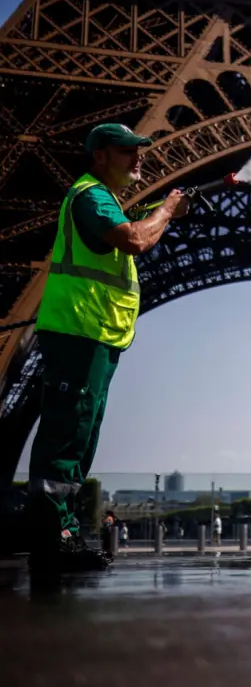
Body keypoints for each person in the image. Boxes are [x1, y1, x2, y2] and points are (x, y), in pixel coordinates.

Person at [27, 123, 189, 573]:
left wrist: (163, 213)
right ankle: (53, 537)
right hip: (79, 330)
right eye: (126, 151)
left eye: (139, 151)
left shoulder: (106, 201)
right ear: (99, 155)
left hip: (94, 334)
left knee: (80, 433)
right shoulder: (92, 196)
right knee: (68, 434)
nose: (138, 159)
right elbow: (135, 239)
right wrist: (168, 209)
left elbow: (135, 233)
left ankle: (61, 533)